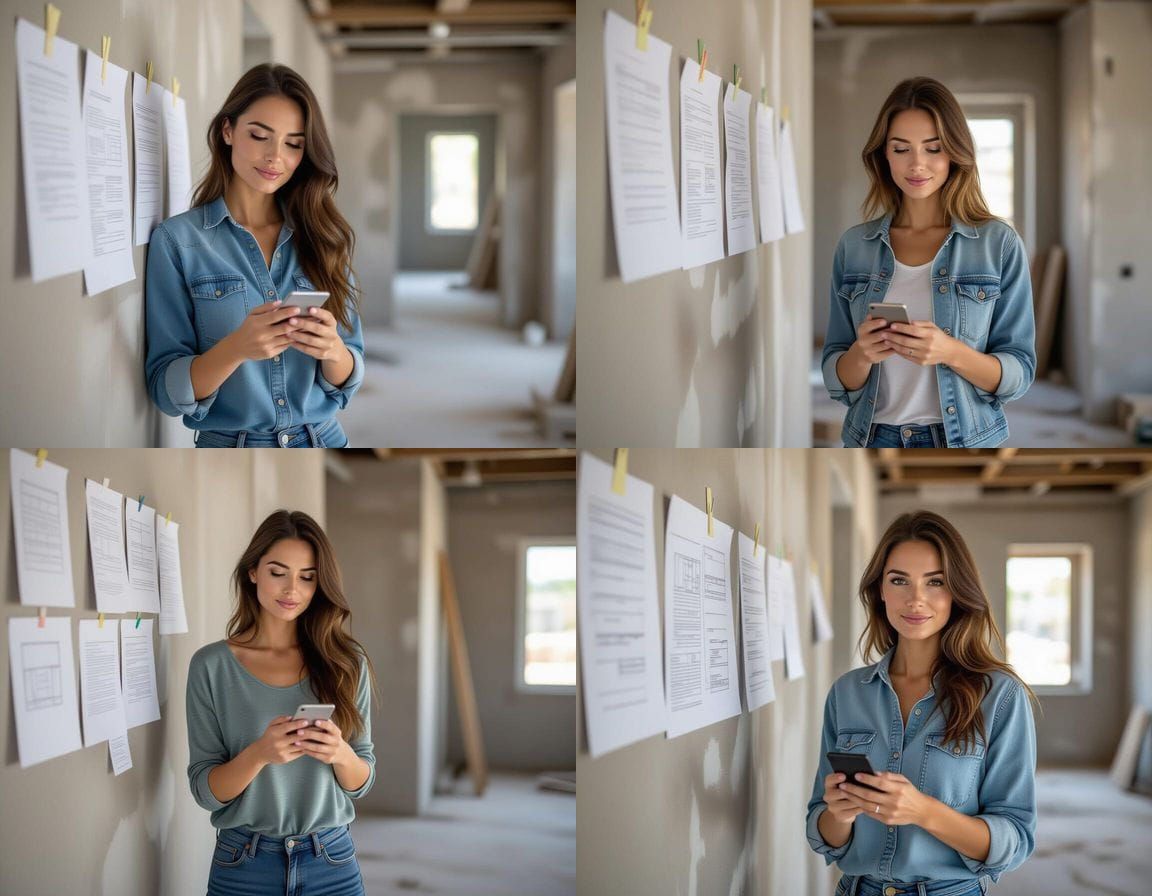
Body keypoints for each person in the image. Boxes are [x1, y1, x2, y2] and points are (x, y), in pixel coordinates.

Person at [806, 511, 1040, 896]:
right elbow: (822, 833)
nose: (916, 599)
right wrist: (839, 813)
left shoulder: (1001, 696)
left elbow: (1014, 840)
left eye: (936, 582)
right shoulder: (846, 694)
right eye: (899, 580)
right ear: (880, 590)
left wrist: (924, 811)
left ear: (957, 592)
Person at [145, 64, 364, 447]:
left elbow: (350, 375)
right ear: (228, 130)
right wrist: (236, 348)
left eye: (293, 144)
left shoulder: (323, 235)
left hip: (323, 438)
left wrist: (332, 349)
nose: (274, 157)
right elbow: (166, 389)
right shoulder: (177, 241)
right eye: (260, 135)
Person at [821, 77, 1036, 447]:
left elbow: (1019, 373)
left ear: (954, 151)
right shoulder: (854, 246)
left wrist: (950, 352)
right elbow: (835, 376)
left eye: (933, 148)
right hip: (871, 438)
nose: (917, 164)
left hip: (964, 441)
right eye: (901, 148)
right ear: (883, 154)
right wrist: (862, 353)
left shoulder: (998, 244)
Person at [186, 510, 379, 895]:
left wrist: (340, 753)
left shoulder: (346, 661)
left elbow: (361, 781)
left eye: (307, 577)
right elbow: (206, 792)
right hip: (243, 865)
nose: (293, 590)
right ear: (253, 571)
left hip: (332, 862)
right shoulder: (211, 666)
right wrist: (259, 754)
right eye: (278, 572)